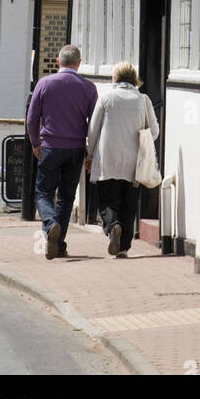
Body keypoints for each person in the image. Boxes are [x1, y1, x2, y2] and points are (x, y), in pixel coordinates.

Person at [27, 44, 97, 259]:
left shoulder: (45, 83)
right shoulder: (88, 87)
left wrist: (35, 142)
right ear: (79, 63)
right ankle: (59, 243)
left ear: (58, 62)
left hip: (50, 146)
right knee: (67, 197)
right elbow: (94, 123)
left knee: (43, 192)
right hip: (75, 148)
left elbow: (32, 118)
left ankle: (50, 224)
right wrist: (90, 152)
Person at [85, 62, 158, 257]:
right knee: (129, 204)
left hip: (108, 160)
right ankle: (123, 248)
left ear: (115, 78)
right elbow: (155, 132)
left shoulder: (106, 98)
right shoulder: (143, 100)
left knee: (107, 200)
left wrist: (90, 155)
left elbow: (93, 131)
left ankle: (112, 226)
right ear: (134, 79)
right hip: (134, 163)